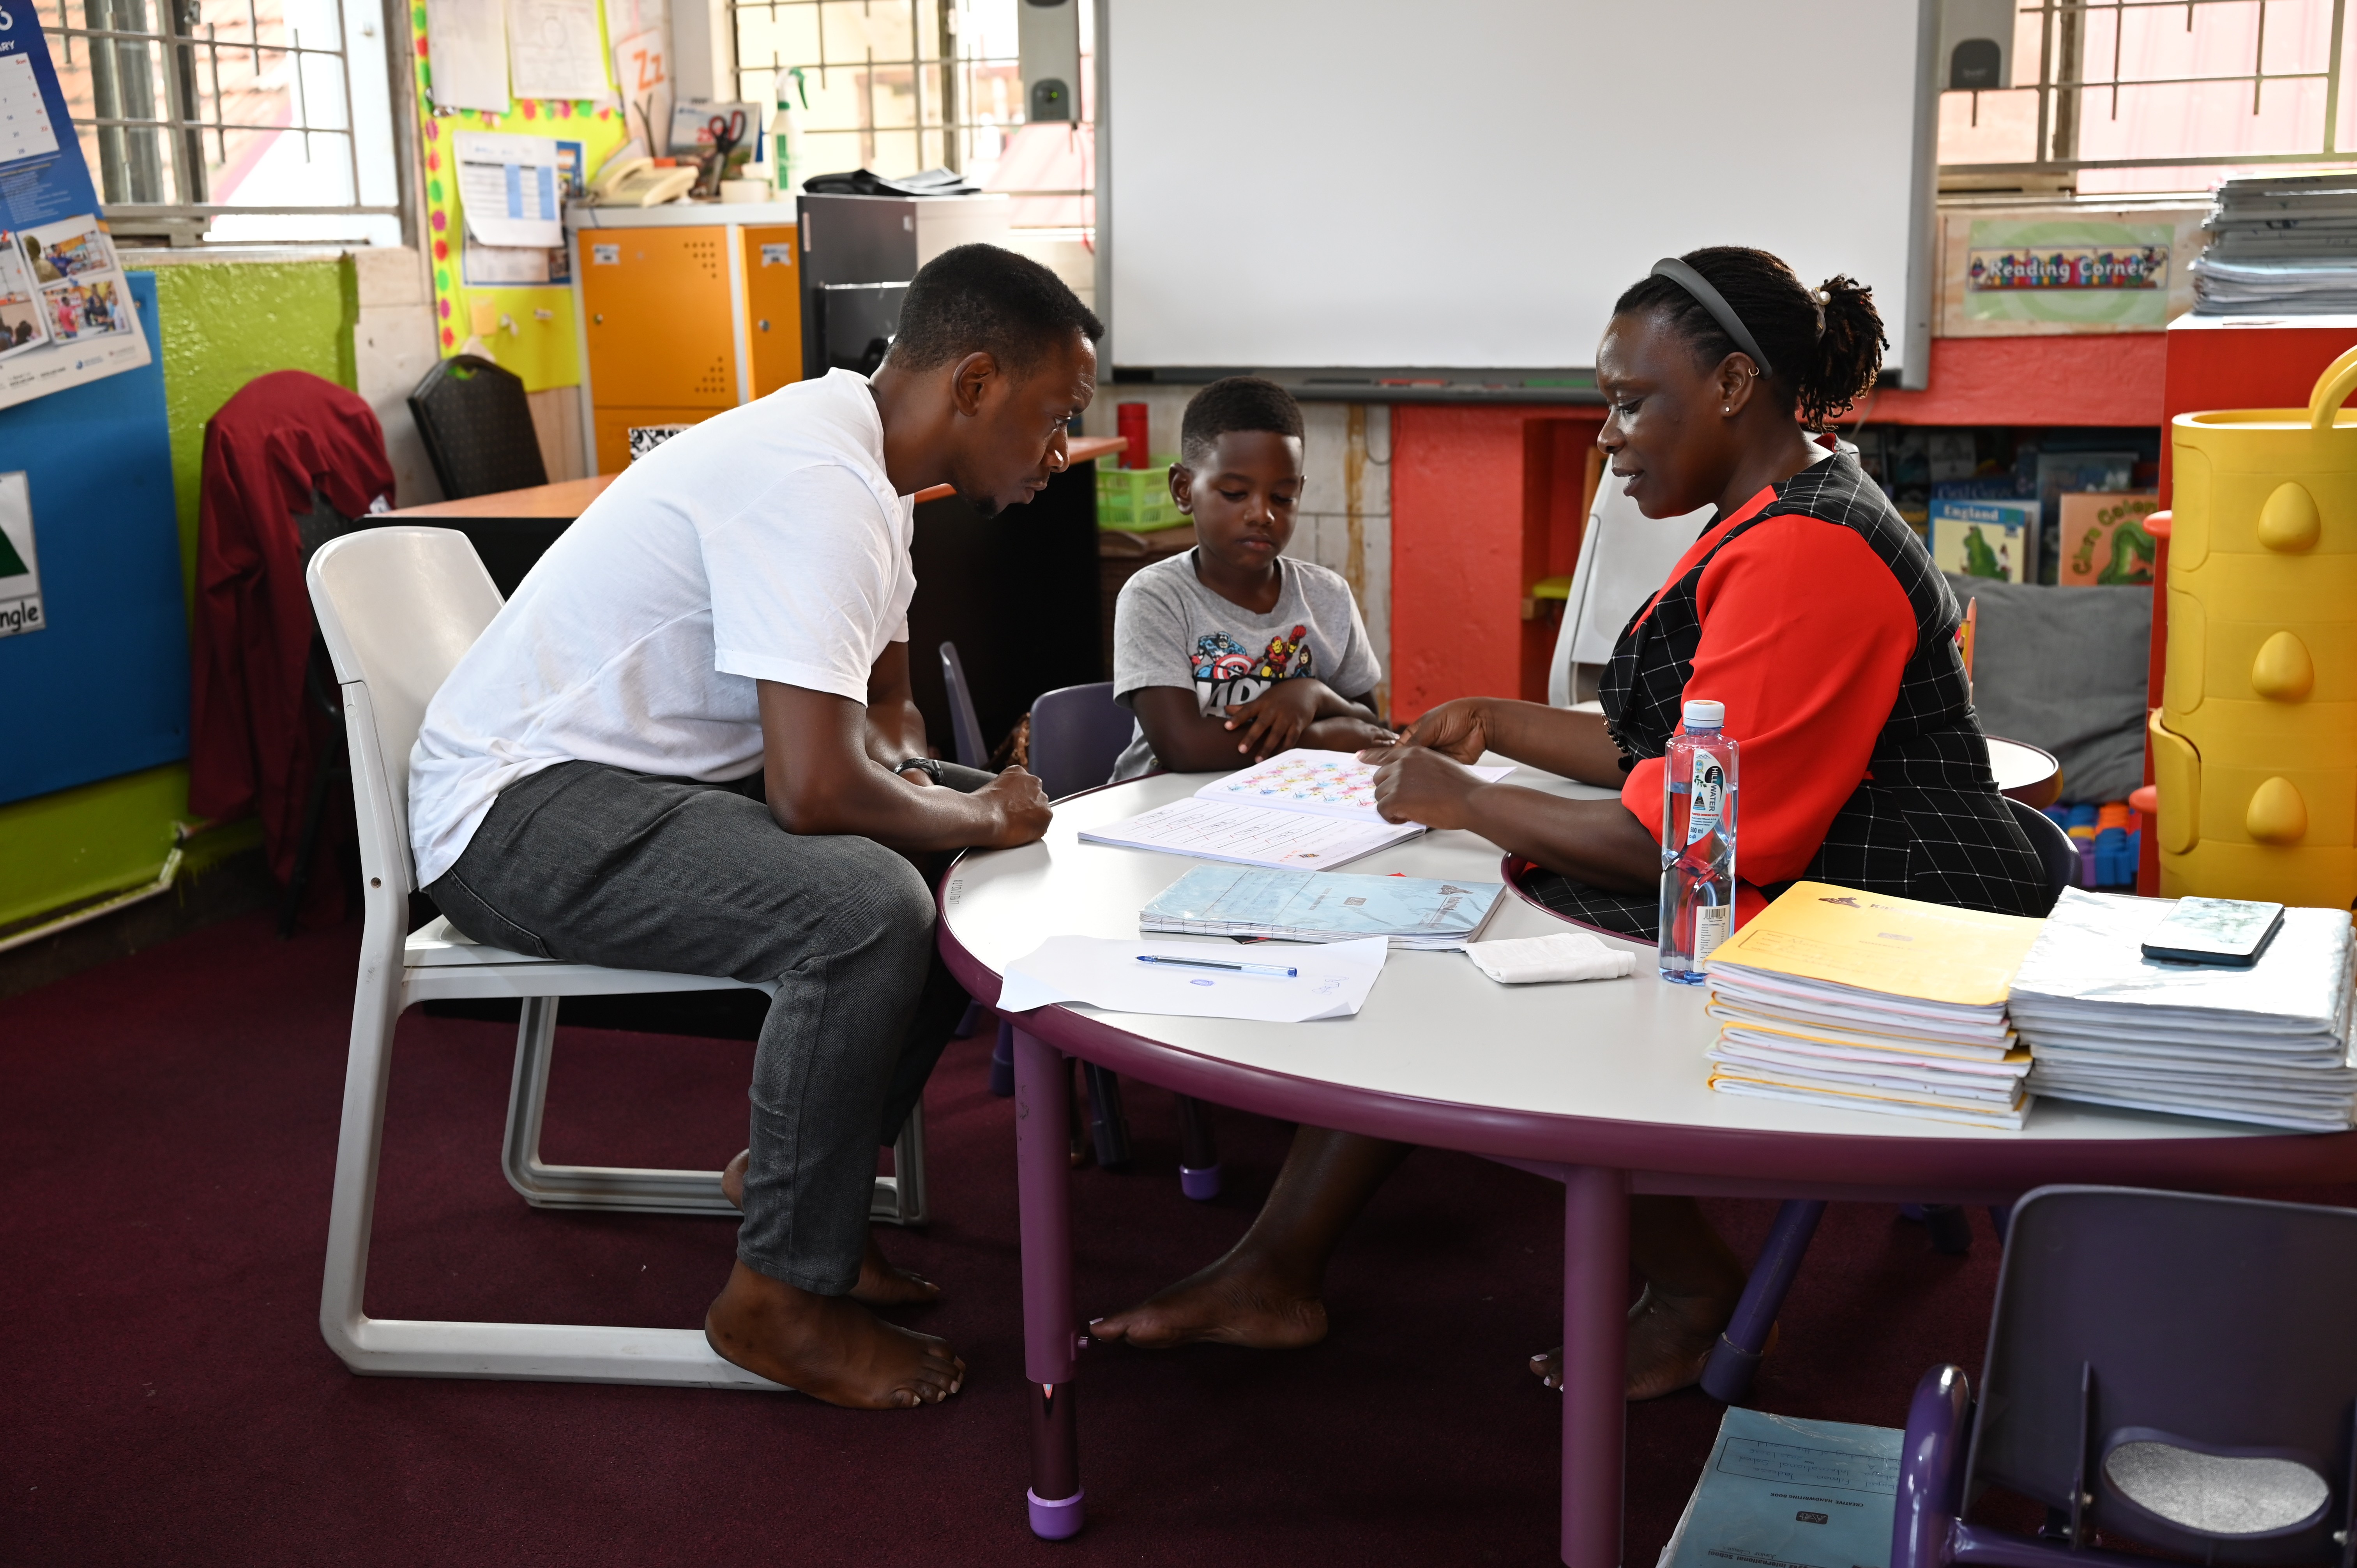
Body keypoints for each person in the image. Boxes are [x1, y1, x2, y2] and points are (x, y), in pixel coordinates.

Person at [1090, 246, 2050, 1399]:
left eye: (1630, 401)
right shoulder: (1783, 509)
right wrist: (1498, 722)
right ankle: (1275, 1268)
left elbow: (1681, 841)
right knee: (1451, 916)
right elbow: (1685, 751)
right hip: (1821, 877)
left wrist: (1467, 799)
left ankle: (1689, 1289)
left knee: (1465, 958)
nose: (1608, 435)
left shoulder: (1805, 549)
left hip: (1876, 922)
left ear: (1734, 385)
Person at [408, 242, 1100, 1410]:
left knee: (944, 864)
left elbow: (884, 709)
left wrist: (935, 789)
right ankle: (777, 1297)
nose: (1059, 450)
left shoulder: (873, 475)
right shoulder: (818, 482)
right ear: (976, 383)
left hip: (630, 784)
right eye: (1055, 415)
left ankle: (794, 1187)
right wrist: (972, 807)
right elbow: (814, 792)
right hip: (511, 815)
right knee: (870, 904)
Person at [1110, 376, 1393, 779]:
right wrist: (1318, 738)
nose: (1263, 514)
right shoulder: (1156, 597)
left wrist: (1311, 693)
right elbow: (1183, 747)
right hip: (1168, 802)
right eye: (1235, 493)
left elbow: (1369, 726)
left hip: (1286, 801)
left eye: (1283, 497)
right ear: (1183, 489)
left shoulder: (1327, 595)